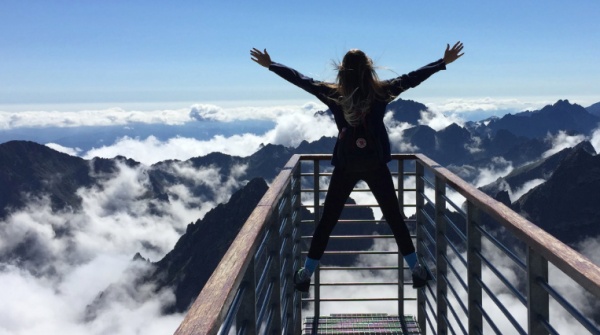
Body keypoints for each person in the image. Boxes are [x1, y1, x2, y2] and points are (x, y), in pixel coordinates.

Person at [250, 42, 464, 292]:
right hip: (375, 164)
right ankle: (416, 267)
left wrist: (271, 65)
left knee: (327, 220)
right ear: (369, 68)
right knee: (394, 217)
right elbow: (412, 78)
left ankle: (306, 272)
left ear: (342, 71)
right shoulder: (382, 92)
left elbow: (302, 80)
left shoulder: (333, 94)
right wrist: (442, 62)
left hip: (346, 165)